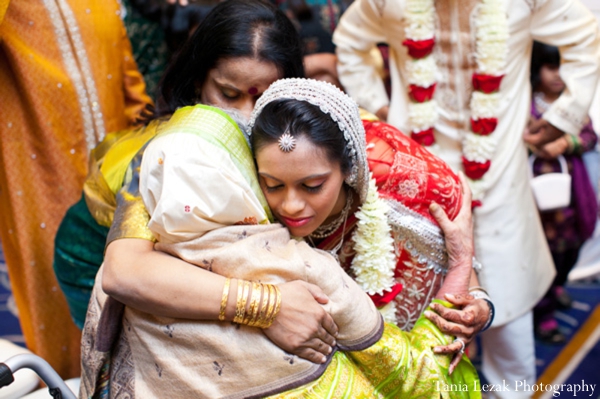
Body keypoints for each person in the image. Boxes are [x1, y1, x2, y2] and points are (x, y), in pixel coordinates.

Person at [80, 79, 481, 398]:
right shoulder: (302, 268)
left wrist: (478, 298)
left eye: (312, 185)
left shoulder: (404, 189)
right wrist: (267, 308)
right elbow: (424, 381)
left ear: (351, 170)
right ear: (246, 176)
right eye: (272, 185)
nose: (291, 206)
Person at [333, 0, 600, 396]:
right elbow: (350, 42)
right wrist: (380, 111)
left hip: (498, 178)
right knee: (420, 322)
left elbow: (584, 35)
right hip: (416, 182)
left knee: (509, 318)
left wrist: (565, 115)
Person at [53, 0, 304, 330]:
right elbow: (126, 271)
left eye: (262, 98)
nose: (245, 115)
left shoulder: (294, 133)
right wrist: (267, 306)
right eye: (229, 94)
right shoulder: (167, 153)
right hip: (90, 257)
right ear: (198, 81)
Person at [0, 0, 152, 377]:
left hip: (118, 182)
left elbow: (131, 89)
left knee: (130, 301)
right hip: (39, 180)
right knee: (54, 301)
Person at [528, 41, 598, 344]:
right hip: (534, 196)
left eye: (563, 67)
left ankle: (558, 286)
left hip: (573, 190)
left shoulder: (573, 103)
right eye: (550, 66)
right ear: (537, 68)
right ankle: (543, 316)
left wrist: (565, 144)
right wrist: (535, 142)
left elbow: (590, 136)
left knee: (573, 245)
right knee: (541, 255)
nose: (558, 75)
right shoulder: (524, 102)